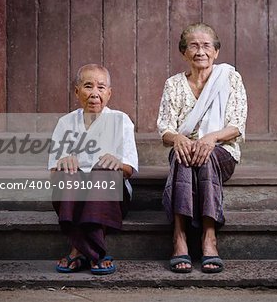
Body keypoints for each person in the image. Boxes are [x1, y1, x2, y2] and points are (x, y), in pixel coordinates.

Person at [157, 22, 247, 273]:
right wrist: (178, 139)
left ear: (216, 52)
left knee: (205, 157)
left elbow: (237, 125)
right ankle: (180, 236)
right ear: (183, 52)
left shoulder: (229, 77)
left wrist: (211, 138)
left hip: (222, 151)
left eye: (206, 46)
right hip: (185, 149)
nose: (200, 51)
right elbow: (165, 128)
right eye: (193, 46)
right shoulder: (173, 84)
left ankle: (209, 236)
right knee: (182, 156)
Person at [48, 63, 138, 275]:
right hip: (72, 198)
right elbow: (53, 173)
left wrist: (116, 162)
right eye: (88, 86)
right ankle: (97, 253)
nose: (94, 94)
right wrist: (65, 161)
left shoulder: (120, 120)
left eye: (101, 87)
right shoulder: (65, 123)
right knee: (67, 172)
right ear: (77, 91)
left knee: (103, 171)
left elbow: (129, 169)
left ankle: (77, 250)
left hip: (111, 198)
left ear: (109, 93)